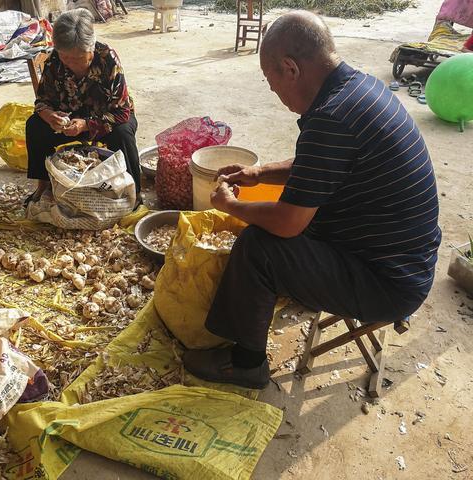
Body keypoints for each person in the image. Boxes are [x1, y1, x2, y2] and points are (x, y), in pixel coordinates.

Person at [183, 11, 441, 390]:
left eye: (274, 85)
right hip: (408, 261)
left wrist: (230, 205)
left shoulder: (332, 117)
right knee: (281, 221)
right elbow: (319, 162)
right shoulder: (360, 87)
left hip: (387, 282)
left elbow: (289, 223)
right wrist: (260, 173)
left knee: (259, 246)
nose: (278, 96)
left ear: (290, 68)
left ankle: (246, 363)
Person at [24, 8, 140, 205]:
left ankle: (134, 194)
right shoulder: (54, 60)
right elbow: (42, 100)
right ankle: (43, 187)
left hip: (105, 119)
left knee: (123, 134)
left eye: (78, 58)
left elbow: (121, 112)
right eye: (65, 58)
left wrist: (86, 125)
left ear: (91, 47)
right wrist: (50, 115)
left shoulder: (108, 59)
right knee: (35, 126)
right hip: (68, 120)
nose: (71, 64)